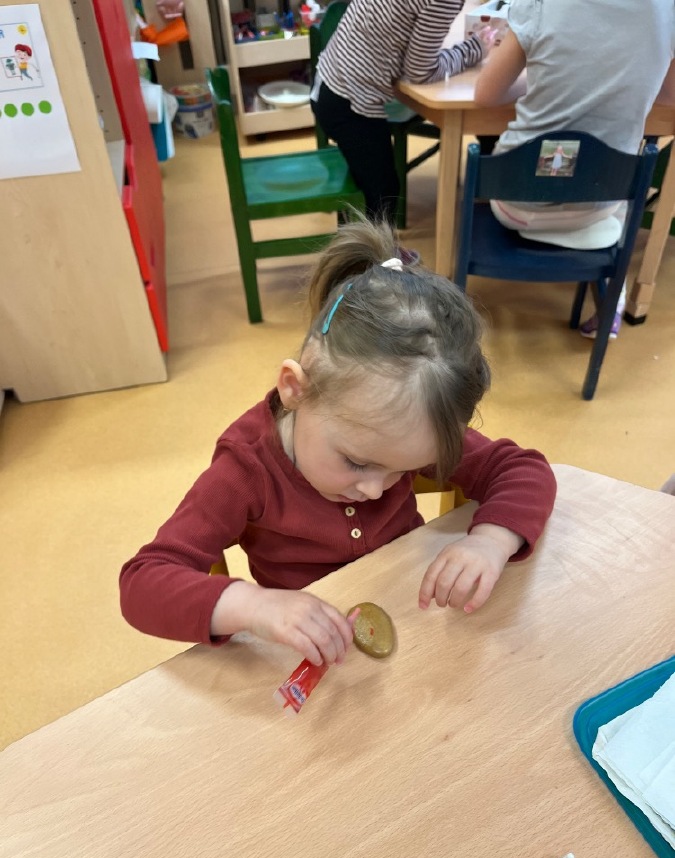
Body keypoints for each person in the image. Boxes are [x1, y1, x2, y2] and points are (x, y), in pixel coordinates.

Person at [120, 216, 557, 667]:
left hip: (410, 619)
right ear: (295, 389)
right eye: (356, 462)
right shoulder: (245, 471)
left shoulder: (400, 424)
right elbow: (142, 584)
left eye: (403, 471)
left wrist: (490, 541)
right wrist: (253, 606)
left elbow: (523, 469)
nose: (375, 490)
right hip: (305, 652)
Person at [474, 0, 675, 340]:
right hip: (599, 208)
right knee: (621, 177)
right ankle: (613, 292)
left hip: (517, 202)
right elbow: (669, 96)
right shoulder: (666, 10)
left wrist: (541, 80)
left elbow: (485, 95)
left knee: (546, 161)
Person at [310, 0, 495, 231]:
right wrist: (474, 48)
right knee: (383, 193)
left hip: (331, 78)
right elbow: (420, 71)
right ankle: (374, 251)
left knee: (379, 187)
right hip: (349, 99)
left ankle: (374, 246)